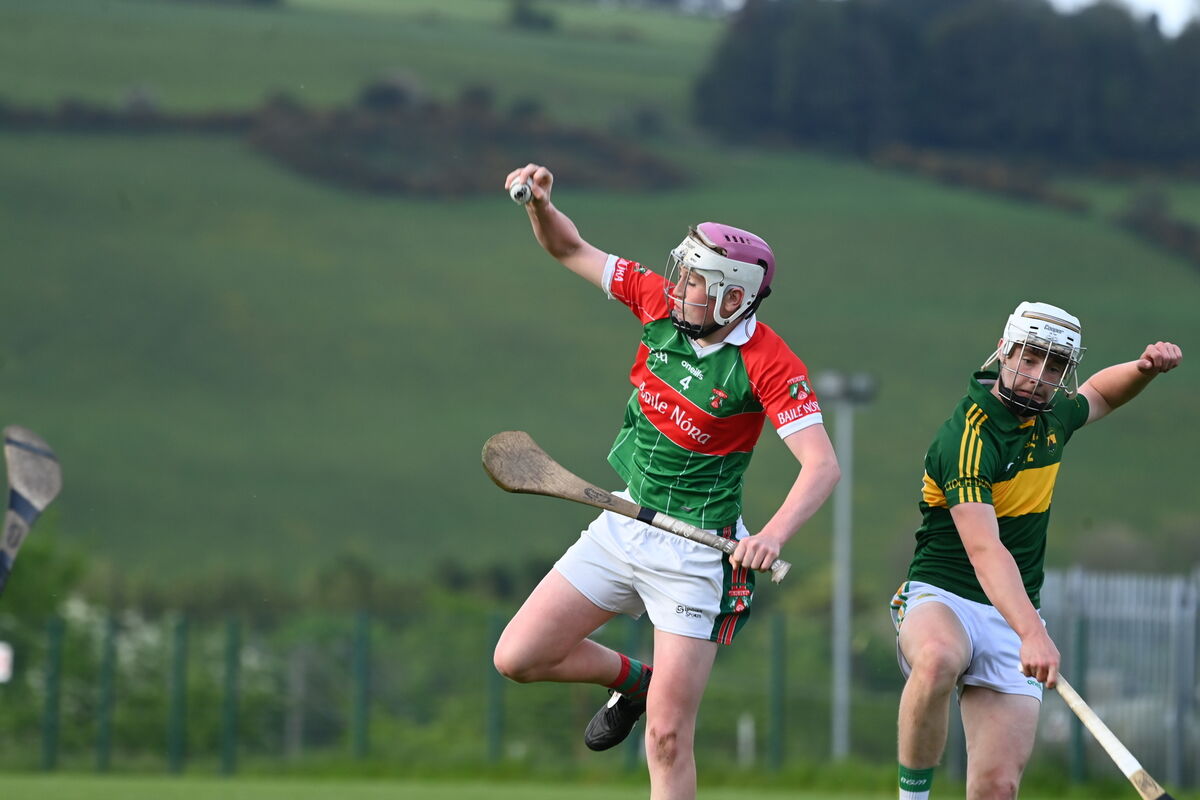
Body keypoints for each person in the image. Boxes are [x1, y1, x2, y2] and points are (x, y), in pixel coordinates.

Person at [492, 164, 841, 799]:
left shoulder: (769, 363)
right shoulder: (655, 301)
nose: (677, 288)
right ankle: (634, 680)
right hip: (626, 520)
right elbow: (570, 248)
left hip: (698, 555)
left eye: (695, 282)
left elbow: (821, 465)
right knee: (518, 657)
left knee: (668, 737)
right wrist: (540, 206)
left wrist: (772, 534)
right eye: (681, 274)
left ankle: (654, 704)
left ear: (734, 299)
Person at [890, 301, 1183, 800]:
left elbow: (1100, 396)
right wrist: (1033, 633)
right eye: (1028, 358)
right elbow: (985, 551)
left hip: (1013, 611)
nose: (1038, 376)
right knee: (938, 659)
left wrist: (1143, 370)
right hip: (944, 596)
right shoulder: (966, 437)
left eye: (1054, 366)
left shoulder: (1052, 421)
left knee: (997, 789)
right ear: (1004, 351)